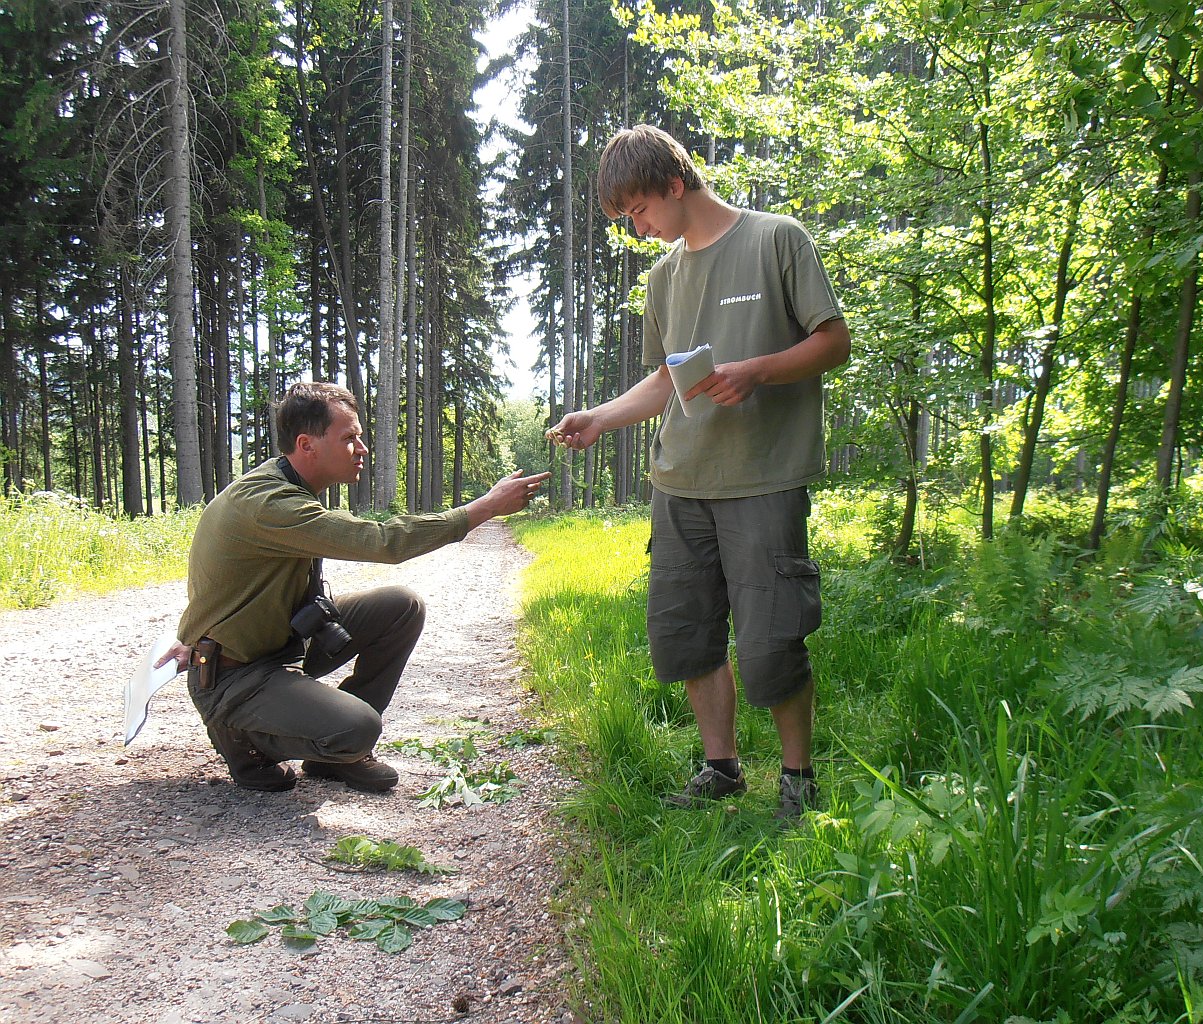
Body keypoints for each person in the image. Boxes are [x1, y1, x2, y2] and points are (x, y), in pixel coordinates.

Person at [547, 124, 850, 819]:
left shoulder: (777, 239)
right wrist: (599, 418)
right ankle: (721, 769)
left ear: (674, 184)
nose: (638, 228)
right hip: (679, 484)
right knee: (687, 635)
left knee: (773, 640)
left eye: (640, 210)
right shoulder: (662, 278)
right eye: (626, 218)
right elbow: (665, 379)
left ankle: (798, 780)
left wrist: (758, 371)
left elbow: (833, 341)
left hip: (763, 480)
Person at [157, 381, 550, 793]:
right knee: (359, 726)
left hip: (277, 648)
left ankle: (331, 756)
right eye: (349, 438)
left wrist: (194, 634)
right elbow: (383, 542)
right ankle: (243, 738)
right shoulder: (269, 503)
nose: (362, 449)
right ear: (307, 445)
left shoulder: (287, 486)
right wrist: (486, 507)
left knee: (401, 607)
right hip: (237, 677)